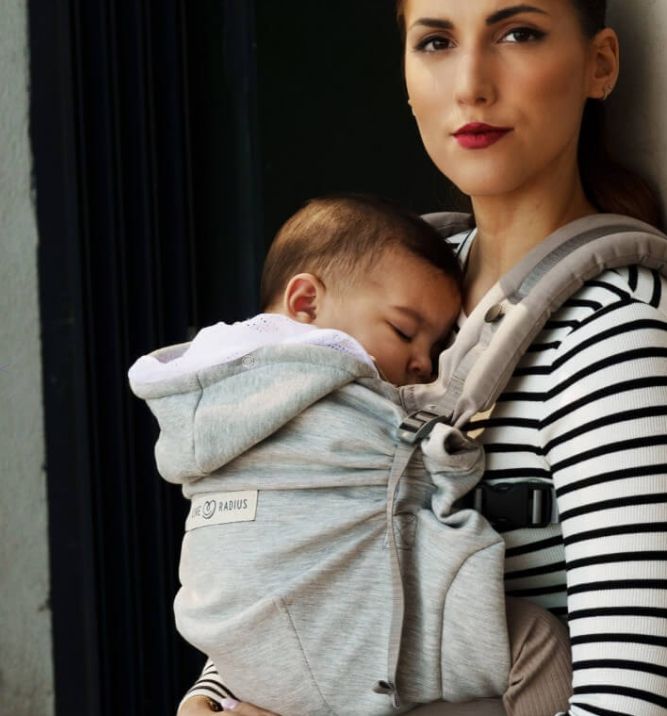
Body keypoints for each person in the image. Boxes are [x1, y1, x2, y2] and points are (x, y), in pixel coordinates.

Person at [179, 1, 667, 715]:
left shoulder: (609, 329)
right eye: (436, 41)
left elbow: (631, 700)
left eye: (518, 33)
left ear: (600, 65)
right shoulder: (385, 288)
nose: (470, 84)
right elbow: (302, 540)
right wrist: (215, 693)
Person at [131, 194, 571, 716]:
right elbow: (429, 472)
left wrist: (210, 691)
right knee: (536, 642)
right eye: (404, 332)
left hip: (244, 659)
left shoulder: (206, 400)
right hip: (351, 645)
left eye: (437, 347)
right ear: (305, 304)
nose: (423, 365)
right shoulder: (337, 389)